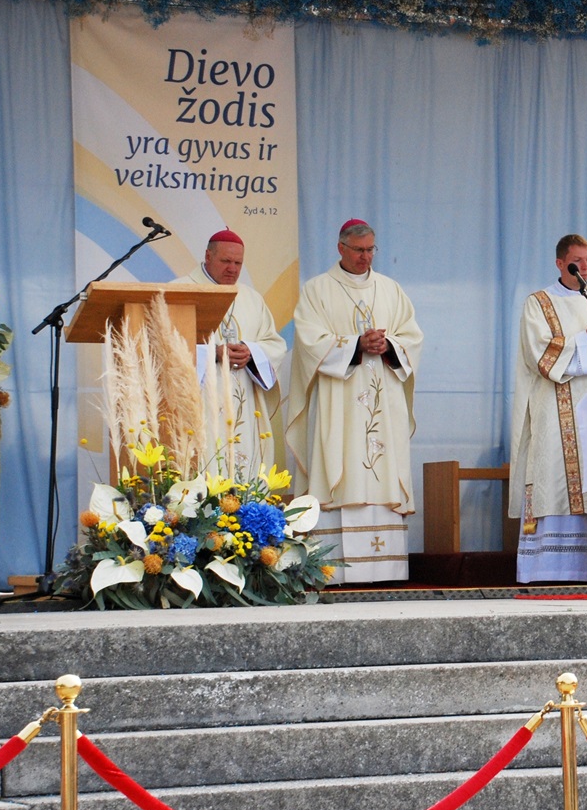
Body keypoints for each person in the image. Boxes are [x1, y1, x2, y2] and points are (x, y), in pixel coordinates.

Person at [286, 219, 423, 583]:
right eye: (359, 250)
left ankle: (385, 569)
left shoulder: (391, 290)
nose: (366, 257)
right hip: (339, 400)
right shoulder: (318, 290)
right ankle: (335, 569)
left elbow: (413, 337)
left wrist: (389, 345)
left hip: (384, 396)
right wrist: (355, 345)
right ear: (341, 249)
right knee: (341, 461)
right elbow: (308, 342)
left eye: (370, 250)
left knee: (381, 467)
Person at [509, 234, 587, 584]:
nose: (586, 268)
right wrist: (584, 340)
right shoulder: (539, 303)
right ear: (561, 263)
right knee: (557, 479)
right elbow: (538, 354)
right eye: (578, 262)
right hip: (555, 410)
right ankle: (553, 569)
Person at [175, 229, 287, 479]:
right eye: (226, 261)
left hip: (243, 399)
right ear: (207, 256)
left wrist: (252, 351)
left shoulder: (251, 298)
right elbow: (164, 346)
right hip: (202, 402)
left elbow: (274, 344)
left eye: (238, 263)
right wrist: (210, 353)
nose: (232, 269)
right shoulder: (179, 291)